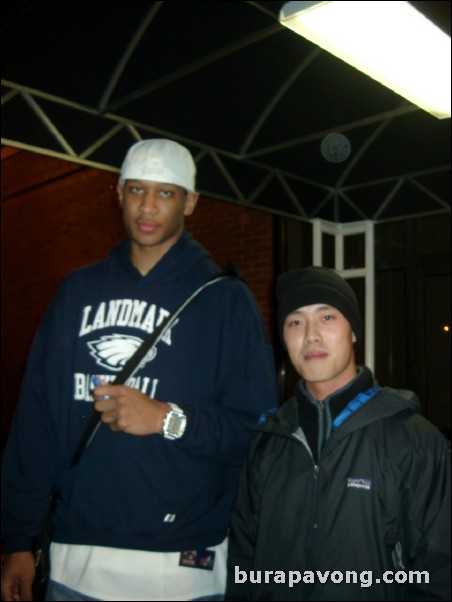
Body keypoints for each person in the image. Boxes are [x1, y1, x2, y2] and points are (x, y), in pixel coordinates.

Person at [1, 139, 279, 602]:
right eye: (136, 191)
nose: (147, 207)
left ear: (190, 202)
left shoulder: (224, 300)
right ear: (118, 193)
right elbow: (36, 423)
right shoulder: (77, 292)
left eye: (166, 193)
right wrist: (18, 540)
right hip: (77, 563)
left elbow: (255, 431)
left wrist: (168, 419)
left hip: (184, 569)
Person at [225, 266, 451, 601]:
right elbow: (244, 564)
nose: (311, 335)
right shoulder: (267, 442)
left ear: (354, 332)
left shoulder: (415, 442)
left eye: (327, 317)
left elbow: (439, 573)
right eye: (295, 322)